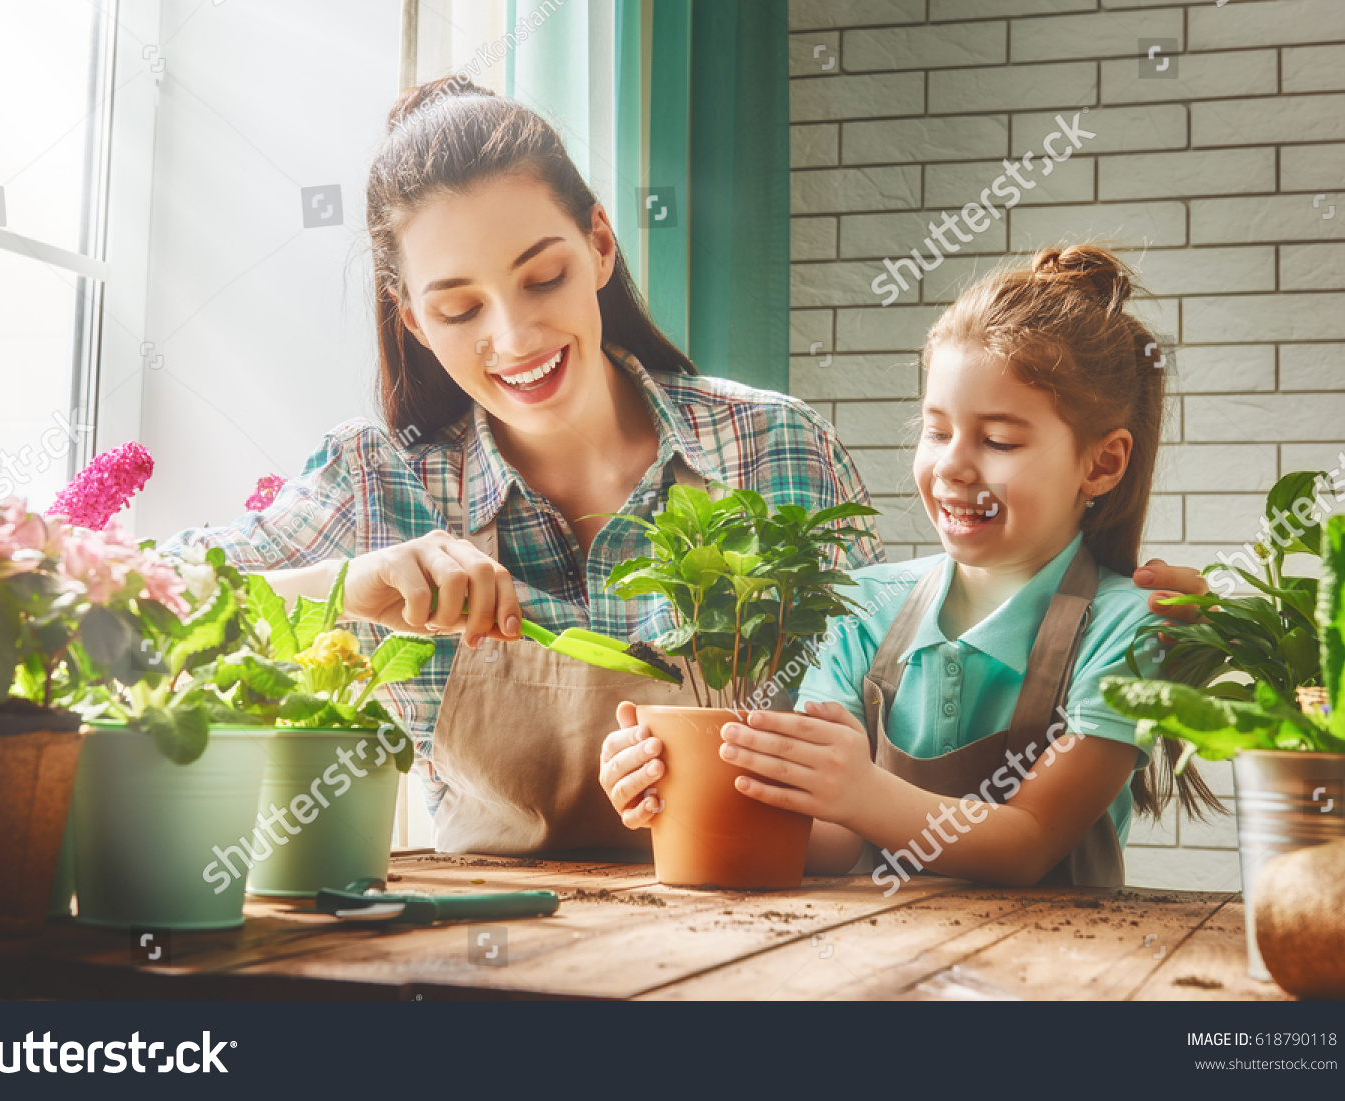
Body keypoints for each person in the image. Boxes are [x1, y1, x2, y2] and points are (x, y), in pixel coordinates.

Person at [162, 78, 1203, 855]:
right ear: (411, 318)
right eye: (458, 306)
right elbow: (132, 610)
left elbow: (866, 765)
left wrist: (1105, 612)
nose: (515, 334)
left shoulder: (775, 452)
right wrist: (340, 583)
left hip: (745, 938)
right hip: (479, 948)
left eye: (543, 275)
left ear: (601, 247)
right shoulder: (376, 480)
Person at [600, 245, 1220, 884]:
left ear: (1102, 464)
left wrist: (862, 792)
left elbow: (1030, 842)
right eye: (936, 431)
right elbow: (833, 843)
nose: (952, 465)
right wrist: (671, 790)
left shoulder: (1131, 629)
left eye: (999, 440)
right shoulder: (863, 606)